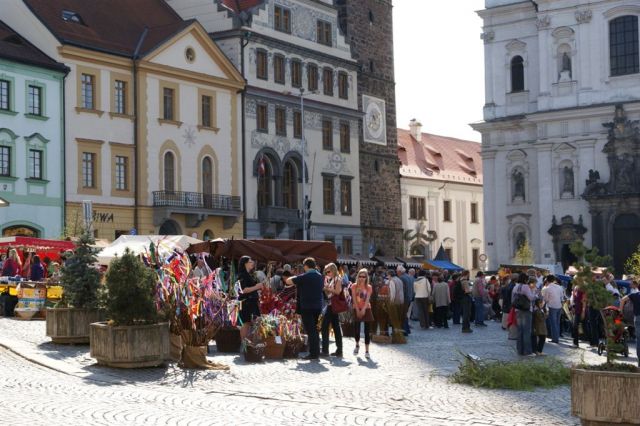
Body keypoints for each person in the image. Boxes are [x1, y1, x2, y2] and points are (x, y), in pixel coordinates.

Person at [287, 257, 324, 360]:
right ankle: (316, 352)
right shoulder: (320, 276)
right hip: (317, 307)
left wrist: (297, 276)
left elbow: (288, 281)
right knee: (314, 330)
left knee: (310, 330)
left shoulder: (304, 276)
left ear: (306, 266)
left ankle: (313, 353)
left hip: (307, 307)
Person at [237, 256, 264, 339]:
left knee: (250, 322)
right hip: (247, 302)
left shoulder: (247, 274)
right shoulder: (243, 275)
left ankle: (249, 343)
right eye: (250, 261)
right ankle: (245, 344)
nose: (253, 263)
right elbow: (243, 290)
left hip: (251, 302)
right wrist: (257, 287)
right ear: (245, 263)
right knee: (246, 323)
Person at [321, 263, 343, 357]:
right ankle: (339, 350)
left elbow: (338, 291)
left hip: (333, 305)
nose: (327, 273)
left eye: (328, 271)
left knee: (324, 326)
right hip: (331, 305)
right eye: (326, 272)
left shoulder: (337, 279)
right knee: (336, 327)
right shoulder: (331, 279)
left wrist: (327, 289)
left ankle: (325, 350)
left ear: (333, 270)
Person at [351, 268, 373, 358]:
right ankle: (357, 345)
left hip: (366, 308)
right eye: (360, 276)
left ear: (366, 277)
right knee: (357, 329)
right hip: (356, 308)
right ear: (358, 276)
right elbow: (354, 299)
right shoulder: (354, 286)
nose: (361, 278)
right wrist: (357, 309)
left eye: (363, 276)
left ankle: (367, 350)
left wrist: (363, 309)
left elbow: (367, 299)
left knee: (367, 331)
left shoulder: (369, 287)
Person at [512, 272, 536, 356]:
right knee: (526, 331)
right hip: (526, 310)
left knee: (520, 331)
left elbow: (513, 299)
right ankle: (527, 351)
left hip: (517, 310)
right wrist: (533, 291)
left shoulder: (516, 286)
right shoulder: (526, 287)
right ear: (526, 279)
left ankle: (520, 350)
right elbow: (531, 297)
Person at [620, 290, 640, 367]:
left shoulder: (634, 294)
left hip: (637, 318)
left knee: (638, 339)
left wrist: (621, 311)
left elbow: (622, 299)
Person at [543, 275, 563, 343]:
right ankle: (556, 337)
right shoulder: (559, 287)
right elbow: (561, 296)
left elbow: (545, 299)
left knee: (553, 323)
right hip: (559, 306)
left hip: (552, 306)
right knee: (557, 323)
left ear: (547, 280)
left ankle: (555, 339)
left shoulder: (547, 288)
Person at [397, 265, 413, 336]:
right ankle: (407, 330)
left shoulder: (401, 278)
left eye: (397, 272)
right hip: (409, 298)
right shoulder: (409, 277)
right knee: (405, 314)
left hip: (404, 299)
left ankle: (405, 330)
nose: (397, 273)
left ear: (400, 272)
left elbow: (402, 290)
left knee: (402, 315)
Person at [571, 282, 586, 348]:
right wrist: (573, 307)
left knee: (578, 326)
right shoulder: (575, 288)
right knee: (575, 326)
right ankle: (575, 343)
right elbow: (574, 300)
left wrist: (583, 311)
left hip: (580, 310)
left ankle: (576, 342)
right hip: (576, 310)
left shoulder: (582, 289)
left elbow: (584, 301)